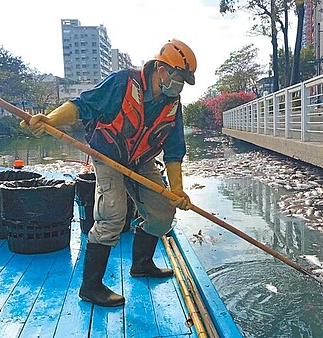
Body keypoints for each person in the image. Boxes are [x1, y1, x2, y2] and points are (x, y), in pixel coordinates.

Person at [20, 39, 196, 307]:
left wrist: (177, 190)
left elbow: (174, 151)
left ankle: (142, 264)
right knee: (112, 215)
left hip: (141, 161)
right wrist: (51, 119)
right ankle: (90, 287)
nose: (180, 83)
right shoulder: (123, 83)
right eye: (178, 76)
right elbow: (82, 105)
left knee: (162, 215)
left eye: (184, 80)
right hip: (108, 157)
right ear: (161, 69)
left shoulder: (173, 104)